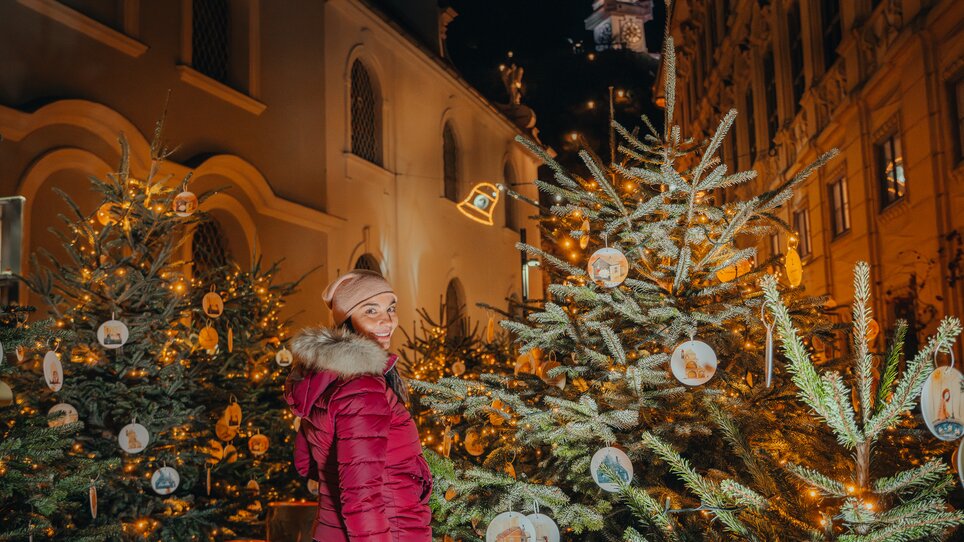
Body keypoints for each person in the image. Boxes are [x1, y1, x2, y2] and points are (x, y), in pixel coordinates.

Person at [285, 270, 432, 542]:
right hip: (389, 532)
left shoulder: (324, 376)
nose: (387, 320)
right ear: (347, 321)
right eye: (371, 310)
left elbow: (305, 463)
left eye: (391, 308)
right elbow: (362, 495)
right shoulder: (363, 388)